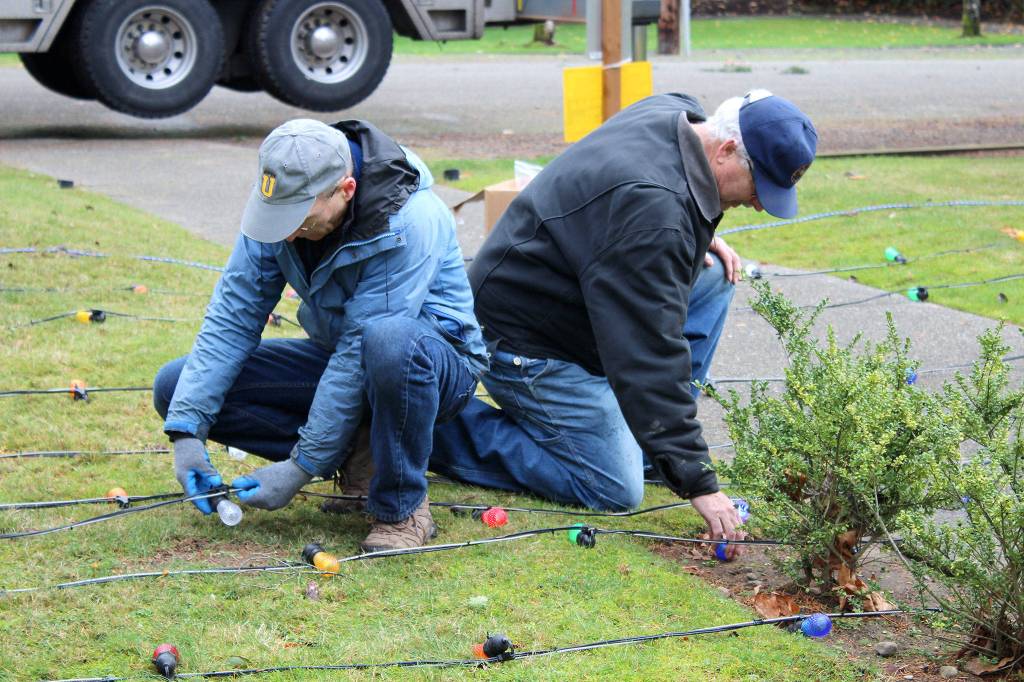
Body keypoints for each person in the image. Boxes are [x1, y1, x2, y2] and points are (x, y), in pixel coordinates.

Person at [432, 90, 817, 557]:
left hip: (579, 299)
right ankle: (424, 423)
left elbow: (657, 215)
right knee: (614, 485)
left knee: (713, 278)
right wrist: (696, 478)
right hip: (526, 342)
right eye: (760, 187)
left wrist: (697, 235)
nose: (760, 204)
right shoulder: (656, 216)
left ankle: (655, 445)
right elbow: (647, 356)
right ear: (726, 150)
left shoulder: (674, 115)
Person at [153, 118, 488, 551]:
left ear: (346, 190)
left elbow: (358, 353)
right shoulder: (279, 207)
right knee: (175, 385)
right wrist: (187, 433)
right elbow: (233, 318)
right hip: (345, 357)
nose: (287, 232)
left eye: (300, 219)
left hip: (432, 367)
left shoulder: (409, 219)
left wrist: (301, 466)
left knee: (388, 343)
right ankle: (357, 453)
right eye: (277, 216)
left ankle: (402, 509)